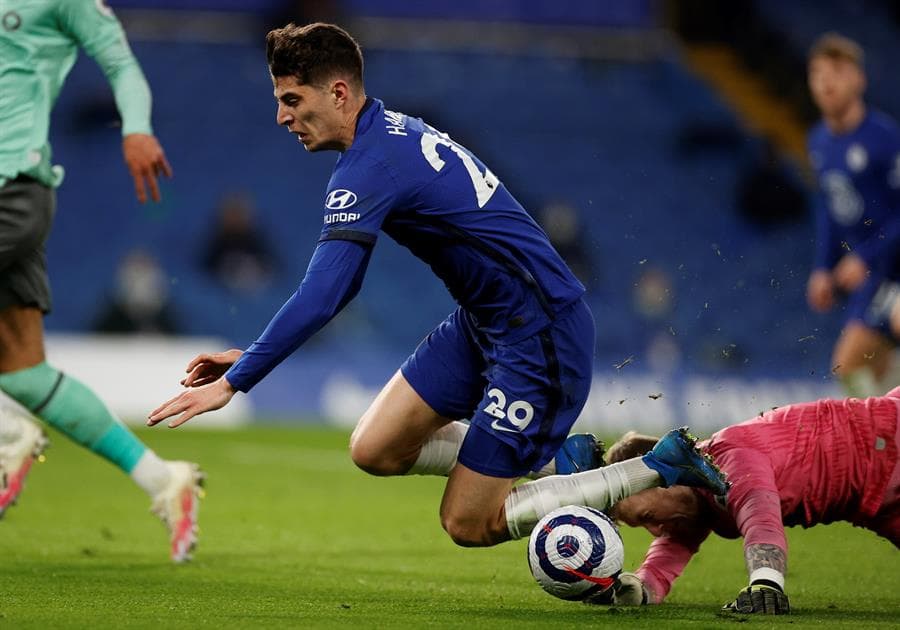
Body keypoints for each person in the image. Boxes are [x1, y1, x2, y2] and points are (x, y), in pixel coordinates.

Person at [147, 22, 727, 550]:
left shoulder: (372, 165)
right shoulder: (391, 131)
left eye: (292, 100)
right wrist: (252, 356)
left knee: (468, 523)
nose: (282, 117)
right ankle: (555, 464)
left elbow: (329, 292)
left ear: (339, 93)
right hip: (485, 322)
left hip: (539, 331)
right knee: (374, 449)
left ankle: (661, 464)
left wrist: (240, 380)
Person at [0, 0, 202, 562]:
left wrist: (135, 129)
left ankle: (6, 435)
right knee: (23, 373)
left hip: (11, 186)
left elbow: (121, 64)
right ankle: (162, 478)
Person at [593, 388, 899, 614]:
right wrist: (633, 589)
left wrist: (766, 583)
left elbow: (761, 518)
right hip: (875, 496)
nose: (657, 531)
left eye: (648, 516)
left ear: (667, 481)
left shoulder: (726, 460)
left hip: (888, 439)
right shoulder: (693, 495)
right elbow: (665, 558)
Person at [804, 32, 900, 397]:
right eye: (818, 74)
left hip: (892, 263)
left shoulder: (884, 138)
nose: (827, 82)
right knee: (850, 368)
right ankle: (884, 442)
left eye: (837, 72)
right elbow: (829, 211)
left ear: (858, 79)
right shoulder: (819, 142)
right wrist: (822, 268)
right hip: (876, 273)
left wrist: (864, 255)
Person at [93, 249, 180, 335]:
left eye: (145, 276)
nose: (140, 284)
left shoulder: (168, 320)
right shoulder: (109, 320)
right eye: (134, 276)